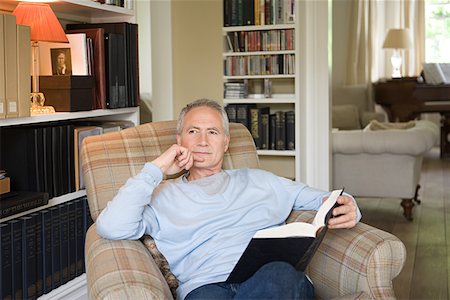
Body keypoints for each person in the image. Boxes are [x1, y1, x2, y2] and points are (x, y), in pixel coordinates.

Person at [96, 99, 361, 300]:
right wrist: (156, 168)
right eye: (192, 132)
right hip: (205, 289)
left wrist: (349, 205)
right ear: (178, 141)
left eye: (212, 132)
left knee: (281, 274)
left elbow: (323, 199)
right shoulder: (161, 194)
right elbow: (111, 226)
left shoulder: (260, 180)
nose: (202, 141)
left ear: (225, 142)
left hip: (269, 281)